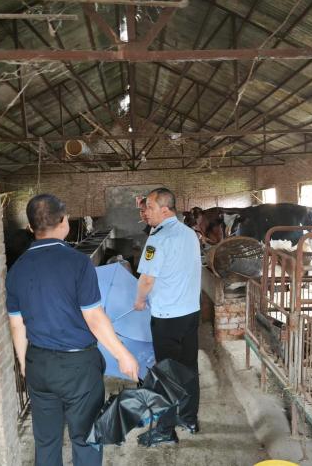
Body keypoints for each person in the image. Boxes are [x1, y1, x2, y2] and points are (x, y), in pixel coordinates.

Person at [6, 193, 139, 466]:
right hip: (78, 366)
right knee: (86, 438)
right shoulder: (77, 263)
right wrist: (122, 355)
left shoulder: (16, 269)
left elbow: (17, 323)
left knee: (46, 441)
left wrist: (24, 363)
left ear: (30, 227)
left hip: (38, 364)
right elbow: (94, 317)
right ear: (64, 221)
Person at [134, 188, 202, 446]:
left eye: (150, 208)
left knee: (165, 375)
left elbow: (147, 279)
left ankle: (165, 429)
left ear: (165, 210)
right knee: (189, 368)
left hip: (167, 317)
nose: (146, 213)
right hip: (190, 312)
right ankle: (189, 418)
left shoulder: (157, 239)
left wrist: (140, 300)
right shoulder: (189, 233)